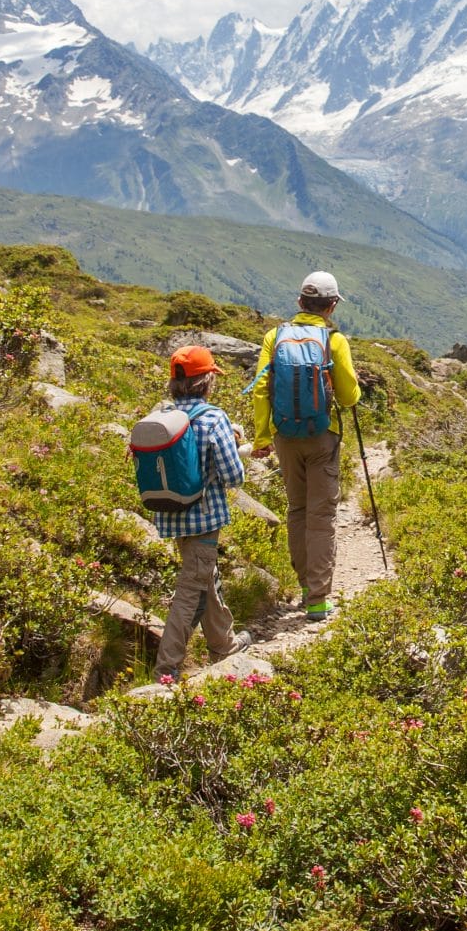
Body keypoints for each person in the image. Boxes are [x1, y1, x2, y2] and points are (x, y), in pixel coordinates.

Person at [247, 270, 363, 619]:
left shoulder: (274, 336)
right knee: (321, 515)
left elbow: (261, 388)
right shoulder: (334, 340)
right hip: (321, 436)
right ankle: (317, 599)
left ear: (300, 302)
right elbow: (347, 395)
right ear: (331, 306)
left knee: (297, 510)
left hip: (285, 435)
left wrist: (262, 436)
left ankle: (303, 585)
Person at [149, 344, 250, 680]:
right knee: (192, 589)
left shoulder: (162, 414)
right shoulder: (213, 417)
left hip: (171, 514)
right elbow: (233, 476)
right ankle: (168, 669)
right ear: (207, 380)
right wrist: (239, 449)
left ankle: (224, 645)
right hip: (205, 518)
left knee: (205, 576)